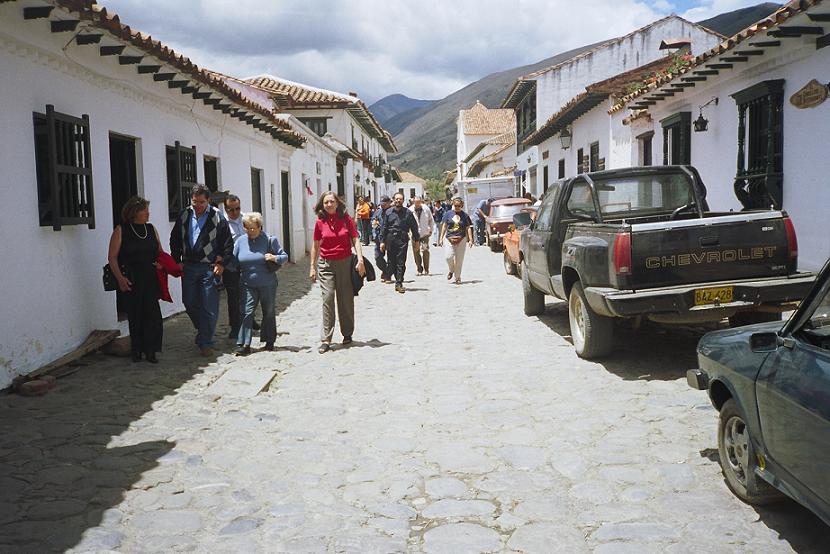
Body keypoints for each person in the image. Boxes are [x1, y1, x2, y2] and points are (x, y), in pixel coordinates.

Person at [170, 184, 233, 356]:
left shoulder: (217, 217)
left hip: (209, 267)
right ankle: (204, 328)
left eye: (202, 202)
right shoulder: (184, 214)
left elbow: (227, 243)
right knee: (189, 302)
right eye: (195, 201)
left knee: (209, 306)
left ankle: (206, 341)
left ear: (208, 200)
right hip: (189, 266)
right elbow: (175, 238)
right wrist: (177, 260)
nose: (198, 205)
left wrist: (222, 263)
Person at [107, 196, 163, 363]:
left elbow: (159, 251)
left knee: (152, 315)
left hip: (150, 277)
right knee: (135, 313)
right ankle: (137, 350)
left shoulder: (151, 229)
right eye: (145, 210)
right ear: (135, 212)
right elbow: (112, 257)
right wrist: (120, 278)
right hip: (131, 278)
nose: (148, 213)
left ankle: (151, 350)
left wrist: (161, 264)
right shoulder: (121, 230)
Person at [309, 191, 365, 354]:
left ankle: (347, 333)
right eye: (326, 202)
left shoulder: (346, 219)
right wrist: (312, 266)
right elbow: (316, 245)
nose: (329, 205)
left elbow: (355, 239)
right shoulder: (320, 222)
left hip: (345, 262)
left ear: (337, 203)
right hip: (325, 263)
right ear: (322, 204)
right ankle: (326, 338)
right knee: (327, 298)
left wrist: (360, 260)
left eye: (331, 201)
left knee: (345, 297)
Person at [232, 212, 288, 355]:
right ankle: (244, 344)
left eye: (254, 228)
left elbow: (284, 256)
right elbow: (233, 260)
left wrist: (274, 257)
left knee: (268, 311)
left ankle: (269, 340)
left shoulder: (270, 239)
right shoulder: (240, 241)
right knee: (246, 312)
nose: (251, 231)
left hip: (267, 283)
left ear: (259, 227)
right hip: (246, 283)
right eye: (248, 228)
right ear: (244, 227)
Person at [380, 192, 419, 293]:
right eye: (396, 199)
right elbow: (384, 228)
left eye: (400, 199)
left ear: (403, 200)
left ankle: (399, 282)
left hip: (402, 239)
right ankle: (397, 279)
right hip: (390, 239)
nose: (398, 201)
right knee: (391, 262)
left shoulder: (408, 213)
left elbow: (414, 228)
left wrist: (417, 241)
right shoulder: (388, 212)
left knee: (401, 261)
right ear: (393, 200)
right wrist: (382, 241)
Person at [223, 194, 245, 340]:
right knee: (233, 296)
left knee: (249, 294)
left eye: (237, 208)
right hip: (231, 265)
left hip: (247, 264)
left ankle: (249, 319)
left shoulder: (247, 219)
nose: (235, 212)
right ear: (225, 209)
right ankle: (235, 327)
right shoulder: (222, 223)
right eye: (231, 210)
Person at [438, 197, 474, 285]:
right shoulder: (448, 214)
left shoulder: (465, 215)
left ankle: (457, 277)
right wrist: (441, 238)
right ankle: (451, 270)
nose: (457, 207)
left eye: (459, 206)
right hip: (449, 238)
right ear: (452, 205)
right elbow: (444, 226)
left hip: (461, 238)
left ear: (461, 206)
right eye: (455, 205)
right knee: (448, 257)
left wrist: (470, 239)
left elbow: (468, 227)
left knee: (459, 260)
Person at [409, 196, 434, 276]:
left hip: (424, 233)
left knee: (425, 250)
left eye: (419, 202)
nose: (417, 204)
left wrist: (430, 229)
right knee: (416, 251)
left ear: (421, 202)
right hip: (414, 234)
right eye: (416, 202)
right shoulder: (410, 210)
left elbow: (431, 219)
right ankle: (419, 268)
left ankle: (426, 269)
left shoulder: (426, 209)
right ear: (413, 202)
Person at [371, 195, 392, 282]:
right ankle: (385, 270)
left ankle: (388, 275)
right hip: (379, 238)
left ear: (389, 203)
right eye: (381, 203)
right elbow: (373, 221)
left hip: (389, 238)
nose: (382, 205)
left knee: (391, 258)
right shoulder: (378, 212)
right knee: (378, 257)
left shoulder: (392, 212)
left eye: (384, 203)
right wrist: (374, 223)